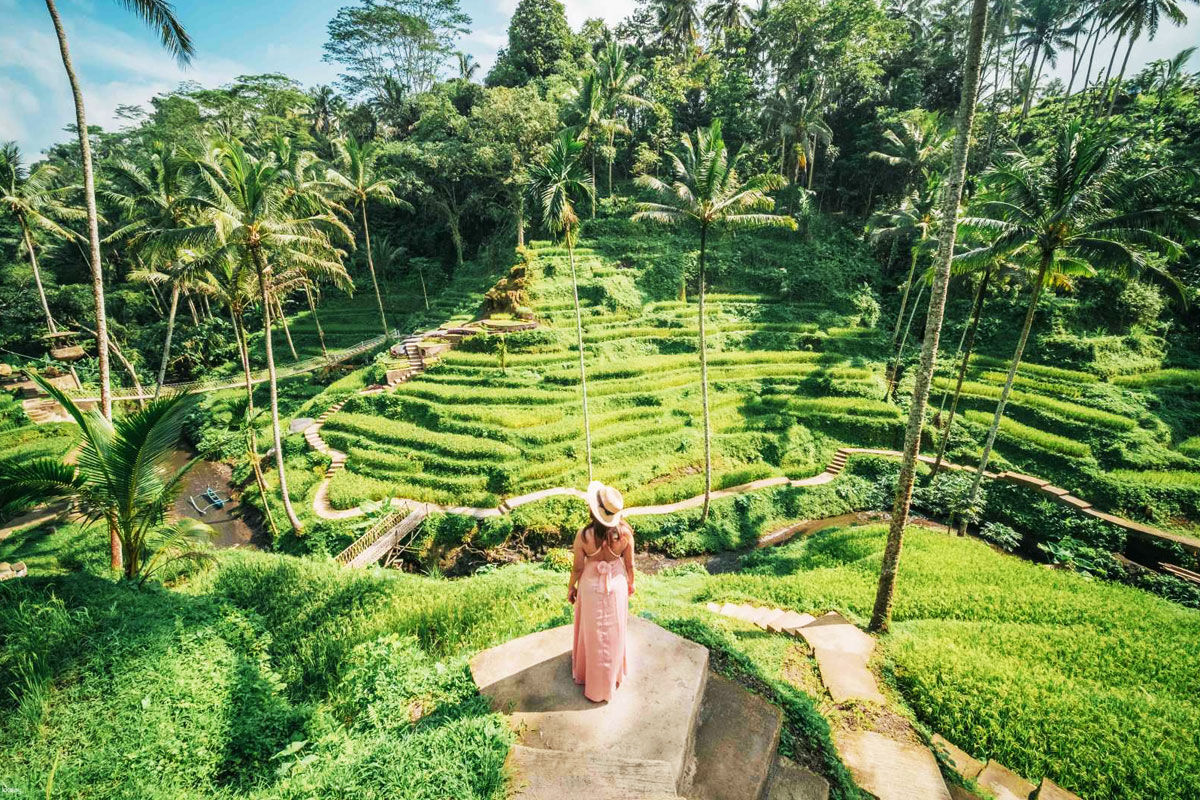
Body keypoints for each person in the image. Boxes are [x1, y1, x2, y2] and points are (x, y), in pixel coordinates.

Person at [568, 481, 635, 703]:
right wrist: (631, 584)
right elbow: (630, 566)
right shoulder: (625, 533)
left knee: (592, 631)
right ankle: (612, 676)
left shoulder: (584, 535)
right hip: (616, 586)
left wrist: (571, 586)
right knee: (614, 631)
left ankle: (590, 677)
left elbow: (578, 566)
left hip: (589, 586)